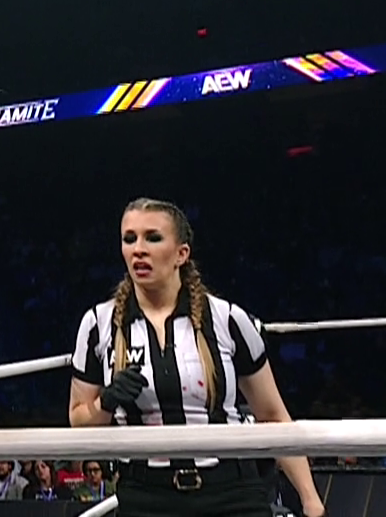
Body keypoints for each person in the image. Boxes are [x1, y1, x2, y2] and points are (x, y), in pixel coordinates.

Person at [67, 198, 325, 517]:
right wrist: (106, 402)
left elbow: (273, 416)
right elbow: (78, 420)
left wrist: (311, 501)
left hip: (230, 492)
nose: (139, 250)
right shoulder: (98, 324)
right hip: (145, 496)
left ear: (182, 253)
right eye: (129, 239)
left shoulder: (227, 319)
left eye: (153, 238)